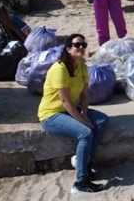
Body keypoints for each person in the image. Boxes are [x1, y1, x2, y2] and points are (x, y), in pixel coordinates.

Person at [38, 34, 109, 194]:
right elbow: (65, 101)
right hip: (52, 114)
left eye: (84, 45)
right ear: (68, 48)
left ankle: (83, 161)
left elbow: (84, 96)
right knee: (85, 133)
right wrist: (83, 122)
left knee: (102, 121)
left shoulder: (82, 67)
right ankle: (80, 182)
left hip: (71, 110)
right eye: (77, 45)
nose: (81, 48)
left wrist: (84, 113)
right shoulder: (59, 69)